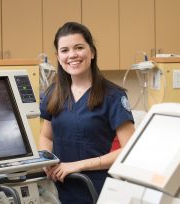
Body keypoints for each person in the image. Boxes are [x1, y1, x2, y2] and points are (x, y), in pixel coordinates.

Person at [39, 22, 135, 204]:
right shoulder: (53, 93)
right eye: (65, 50)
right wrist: (46, 160)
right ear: (58, 57)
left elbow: (130, 150)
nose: (72, 55)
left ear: (92, 52)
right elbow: (47, 137)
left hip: (95, 190)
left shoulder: (113, 96)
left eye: (79, 47)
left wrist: (78, 166)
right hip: (57, 189)